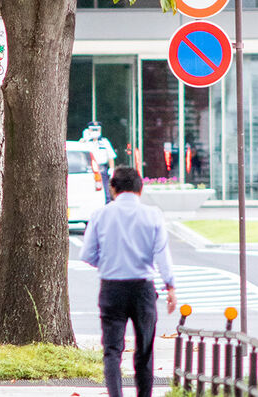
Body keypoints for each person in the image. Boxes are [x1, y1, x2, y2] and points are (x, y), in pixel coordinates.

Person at [81, 167, 177, 397]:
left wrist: (107, 262)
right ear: (140, 189)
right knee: (144, 349)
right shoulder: (153, 215)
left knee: (112, 350)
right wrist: (170, 286)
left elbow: (87, 254)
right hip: (143, 288)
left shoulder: (100, 215)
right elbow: (162, 254)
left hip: (111, 287)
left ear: (113, 188)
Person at [82, 123, 117, 204]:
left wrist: (111, 169)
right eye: (92, 129)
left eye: (96, 129)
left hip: (101, 169)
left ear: (100, 130)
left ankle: (106, 206)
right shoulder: (84, 141)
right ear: (88, 130)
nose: (94, 131)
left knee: (104, 191)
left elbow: (110, 156)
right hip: (87, 169)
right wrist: (84, 139)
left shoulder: (104, 142)